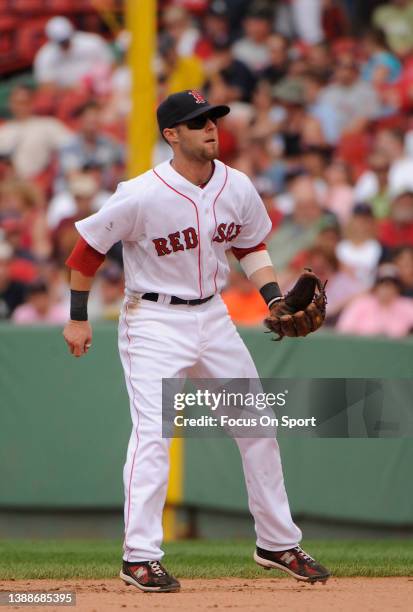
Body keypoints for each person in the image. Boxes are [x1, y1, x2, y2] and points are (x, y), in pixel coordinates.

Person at [62, 89, 330, 592]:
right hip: (153, 321)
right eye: (198, 122)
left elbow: (250, 245)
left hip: (213, 316)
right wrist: (77, 318)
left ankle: (276, 542)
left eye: (213, 119)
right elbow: (85, 253)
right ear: (172, 134)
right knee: (154, 435)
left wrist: (273, 299)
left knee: (257, 427)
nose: (211, 127)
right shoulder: (141, 193)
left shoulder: (237, 184)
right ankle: (139, 556)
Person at [34, 16, 113, 89]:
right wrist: (72, 90)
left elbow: (112, 65)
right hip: (66, 96)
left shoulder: (92, 42)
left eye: (66, 41)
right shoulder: (45, 56)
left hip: (98, 89)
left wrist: (94, 82)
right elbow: (46, 85)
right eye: (61, 42)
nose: (64, 45)